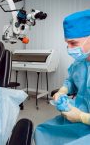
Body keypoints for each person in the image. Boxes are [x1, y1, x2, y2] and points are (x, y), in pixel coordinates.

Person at [34, 9, 90, 145]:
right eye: (67, 44)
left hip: (84, 120)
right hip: (77, 117)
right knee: (41, 131)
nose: (69, 49)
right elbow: (71, 80)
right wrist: (63, 90)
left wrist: (82, 117)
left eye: (73, 43)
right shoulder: (80, 63)